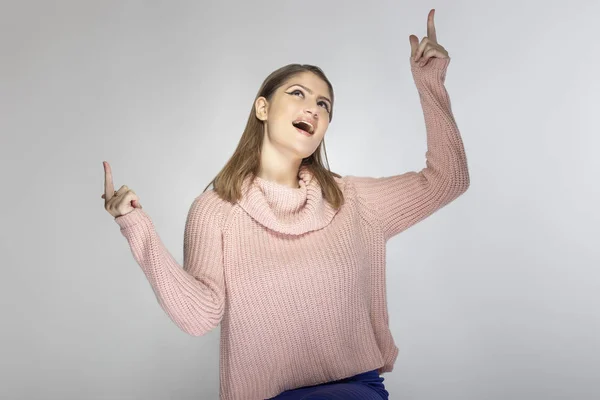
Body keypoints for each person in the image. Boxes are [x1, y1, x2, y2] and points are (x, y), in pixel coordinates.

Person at [102, 9, 469, 400]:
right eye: (298, 94)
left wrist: (431, 84)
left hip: (353, 389)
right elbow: (199, 316)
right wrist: (136, 226)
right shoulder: (216, 210)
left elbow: (448, 180)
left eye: (324, 104)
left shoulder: (353, 201)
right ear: (263, 108)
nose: (313, 108)